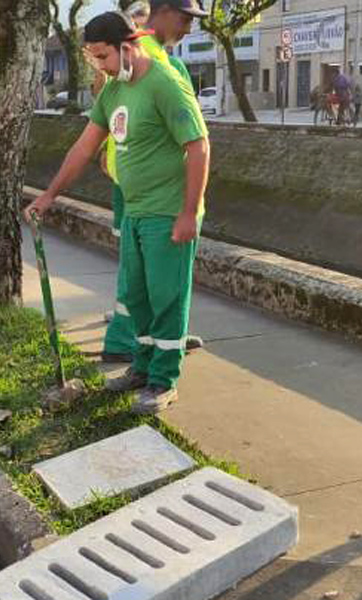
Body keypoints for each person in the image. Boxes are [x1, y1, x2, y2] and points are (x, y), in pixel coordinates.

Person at [27, 10, 210, 415]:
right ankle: (142, 367)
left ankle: (164, 380)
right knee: (137, 296)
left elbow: (198, 146)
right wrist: (48, 196)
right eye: (93, 59)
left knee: (167, 297)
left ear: (128, 47)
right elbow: (84, 147)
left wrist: (188, 212)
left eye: (103, 57)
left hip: (167, 212)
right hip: (135, 210)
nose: (100, 67)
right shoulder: (113, 92)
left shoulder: (165, 84)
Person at [100, 0, 206, 363]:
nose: (189, 28)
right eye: (185, 18)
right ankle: (148, 350)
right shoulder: (154, 61)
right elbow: (194, 141)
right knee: (150, 284)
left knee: (142, 280)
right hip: (146, 191)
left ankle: (140, 347)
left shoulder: (141, 57)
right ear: (162, 12)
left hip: (137, 184)